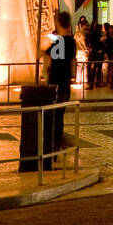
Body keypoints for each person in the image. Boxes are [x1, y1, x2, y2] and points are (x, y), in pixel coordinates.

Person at [46, 11, 76, 152]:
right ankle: (58, 142)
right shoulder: (70, 41)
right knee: (59, 116)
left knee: (54, 117)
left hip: (55, 84)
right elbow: (71, 61)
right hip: (64, 84)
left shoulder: (59, 42)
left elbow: (46, 55)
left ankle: (56, 143)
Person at [86, 19, 104, 90]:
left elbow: (93, 43)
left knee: (93, 68)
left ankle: (92, 83)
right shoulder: (96, 34)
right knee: (93, 68)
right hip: (94, 53)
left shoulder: (93, 33)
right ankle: (93, 83)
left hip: (94, 53)